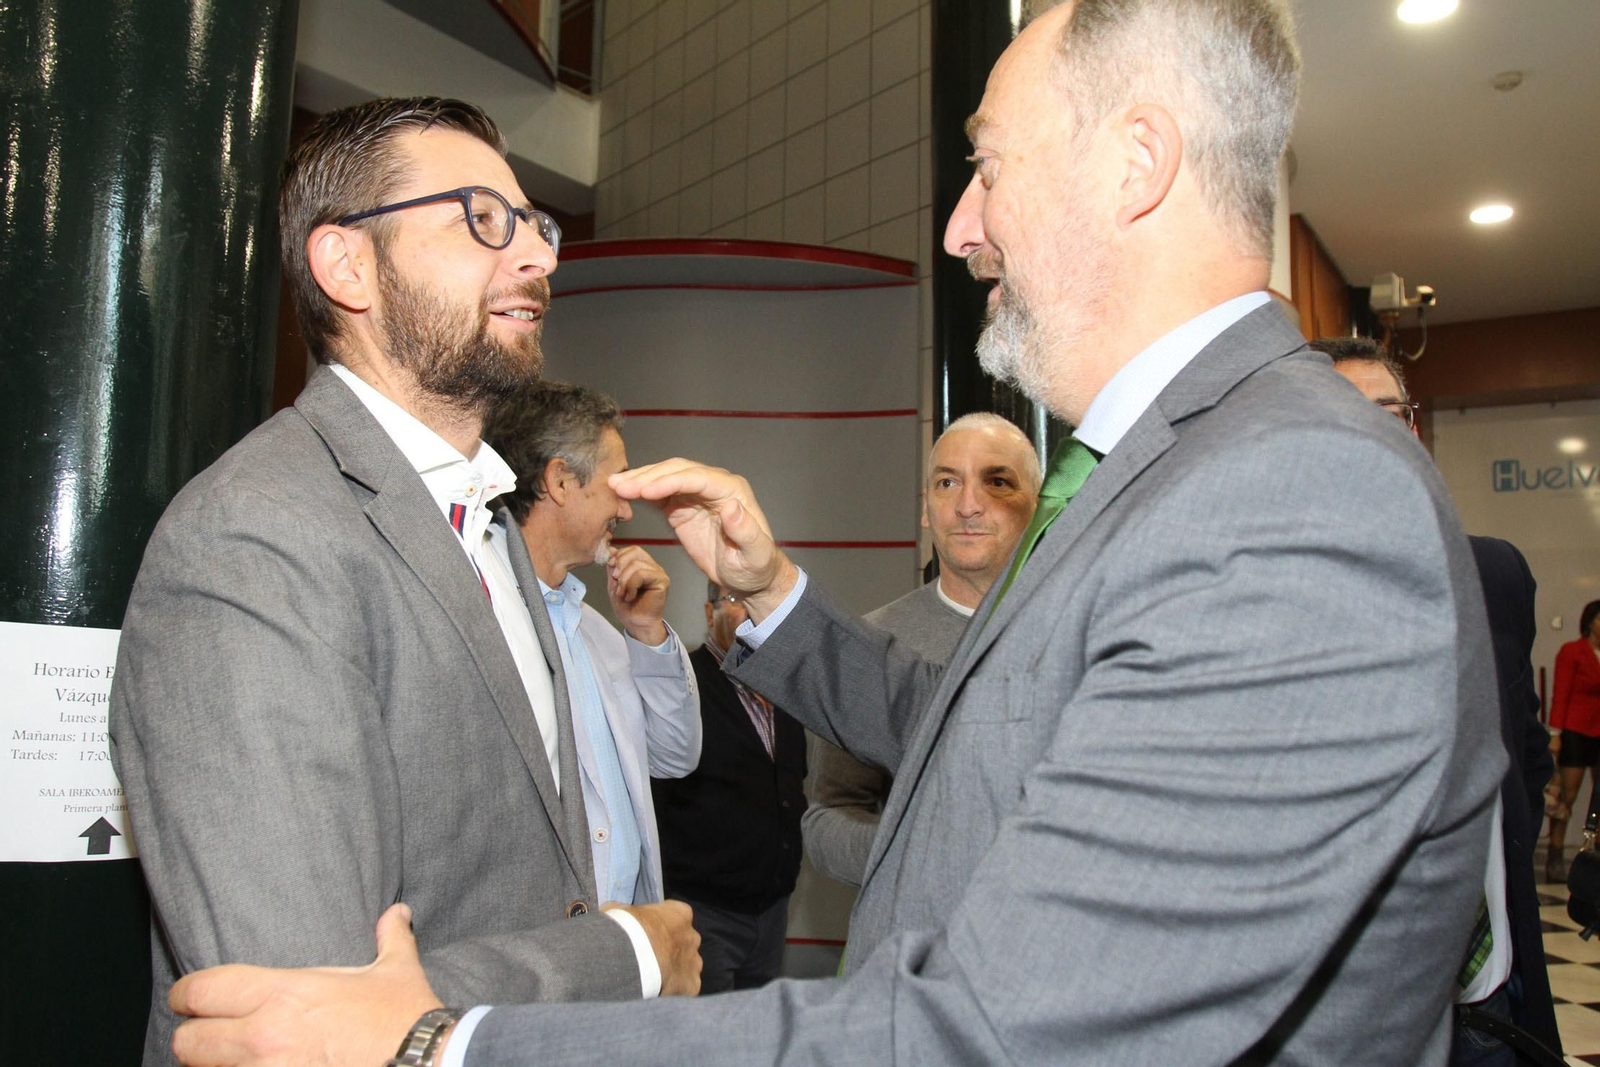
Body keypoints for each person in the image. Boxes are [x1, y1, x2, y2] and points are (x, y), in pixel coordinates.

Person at [167, 3, 1504, 1064]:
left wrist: (452, 1042)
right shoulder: (1195, 469)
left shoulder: (1290, 498)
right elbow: (992, 723)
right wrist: (781, 600)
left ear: (1136, 162)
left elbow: (1008, 1032)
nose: (959, 223)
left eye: (984, 162)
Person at [107, 97, 698, 1065]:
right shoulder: (250, 540)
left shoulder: (495, 522)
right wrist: (625, 951)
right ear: (348, 266)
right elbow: (303, 1009)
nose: (540, 259)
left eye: (536, 226)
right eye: (482, 219)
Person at [1318, 336, 1561, 1065]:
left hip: (1494, 1001)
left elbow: (1525, 756)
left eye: (1388, 413)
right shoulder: (1271, 598)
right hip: (1358, 1015)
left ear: (1414, 428)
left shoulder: (1496, 573)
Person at [484, 379, 702, 907]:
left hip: (621, 947)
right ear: (560, 481)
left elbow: (676, 756)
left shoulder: (597, 631)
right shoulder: (475, 611)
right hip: (539, 955)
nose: (626, 510)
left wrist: (647, 632)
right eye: (619, 484)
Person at [803, 412, 1038, 886]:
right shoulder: (871, 642)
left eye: (996, 481)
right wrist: (924, 850)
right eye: (948, 482)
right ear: (926, 508)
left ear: (1035, 506)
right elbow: (829, 818)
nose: (968, 505)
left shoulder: (1081, 625)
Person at [648, 582, 807, 992]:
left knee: (757, 1038)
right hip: (703, 915)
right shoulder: (683, 683)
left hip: (772, 910)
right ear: (709, 612)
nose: (751, 611)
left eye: (760, 599)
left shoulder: (784, 687)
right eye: (736, 600)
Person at [1549, 600, 1600, 879]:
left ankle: (1595, 853)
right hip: (1577, 730)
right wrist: (1555, 734)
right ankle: (1555, 852)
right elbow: (1562, 692)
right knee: (1567, 794)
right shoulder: (1572, 651)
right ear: (1590, 621)